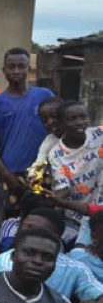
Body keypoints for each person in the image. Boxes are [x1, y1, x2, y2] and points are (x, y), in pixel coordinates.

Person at [0, 48, 54, 190]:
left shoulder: (45, 96)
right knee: (12, 211)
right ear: (4, 70)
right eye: (11, 67)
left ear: (30, 68)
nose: (16, 71)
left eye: (21, 67)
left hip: (44, 170)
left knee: (41, 210)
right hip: (12, 173)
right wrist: (5, 174)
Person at [48, 101, 103, 242]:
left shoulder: (99, 135)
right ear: (61, 124)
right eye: (72, 119)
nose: (79, 122)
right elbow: (63, 189)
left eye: (82, 117)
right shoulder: (56, 154)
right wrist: (52, 198)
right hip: (78, 216)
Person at [35, 95, 64, 164]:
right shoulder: (49, 142)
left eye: (54, 116)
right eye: (45, 120)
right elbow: (39, 163)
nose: (50, 122)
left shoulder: (80, 137)